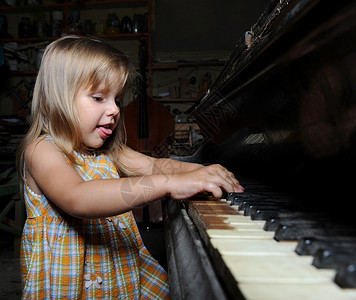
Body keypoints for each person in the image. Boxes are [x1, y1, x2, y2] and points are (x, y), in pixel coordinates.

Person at [16, 35, 244, 299]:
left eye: (117, 99)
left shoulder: (108, 151)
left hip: (118, 274)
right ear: (59, 98)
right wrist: (169, 184)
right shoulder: (42, 150)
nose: (114, 109)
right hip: (71, 284)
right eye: (99, 97)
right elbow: (78, 197)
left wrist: (200, 172)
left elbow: (155, 165)